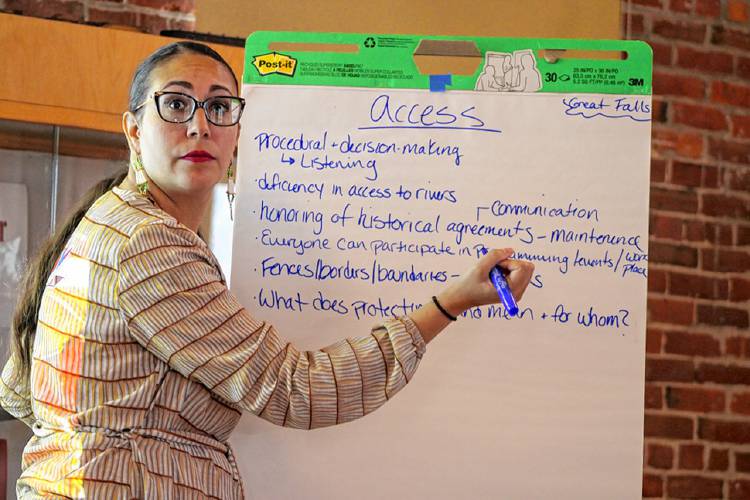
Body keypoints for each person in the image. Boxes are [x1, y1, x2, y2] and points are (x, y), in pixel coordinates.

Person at [0, 41, 534, 499]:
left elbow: (18, 391)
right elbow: (296, 389)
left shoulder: (114, 221)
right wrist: (448, 305)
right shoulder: (149, 243)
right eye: (176, 104)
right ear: (134, 129)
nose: (200, 125)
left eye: (220, 108)